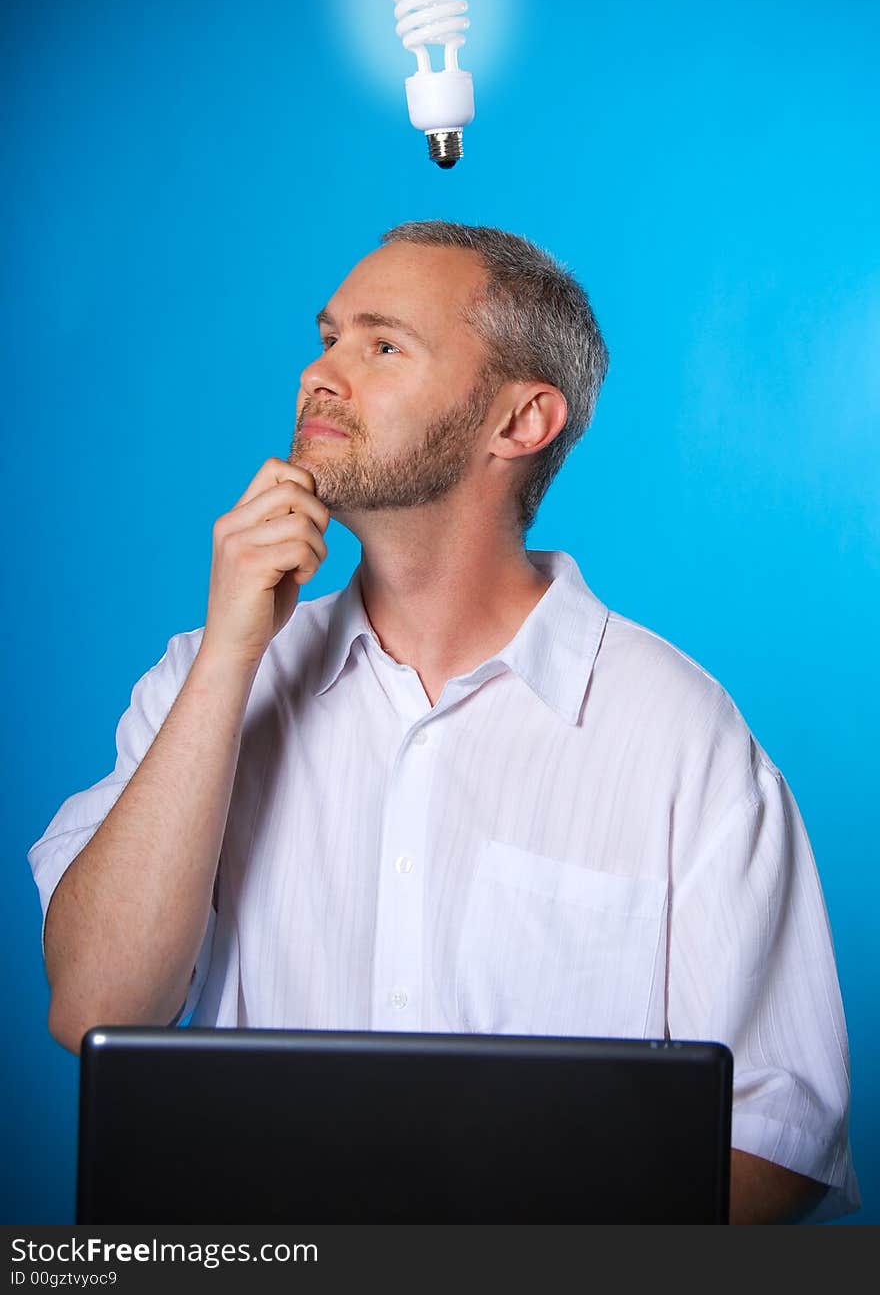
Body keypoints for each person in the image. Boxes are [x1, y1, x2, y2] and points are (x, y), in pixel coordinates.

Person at [28, 220, 859, 1224]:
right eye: (327, 336)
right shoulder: (204, 679)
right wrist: (228, 657)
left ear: (519, 420)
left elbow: (777, 1134)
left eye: (380, 345)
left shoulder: (680, 736)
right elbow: (94, 1007)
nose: (319, 374)